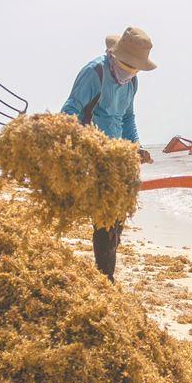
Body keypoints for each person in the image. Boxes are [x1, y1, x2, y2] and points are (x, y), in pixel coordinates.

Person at [61, 26, 156, 281]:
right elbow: (71, 110)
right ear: (114, 55)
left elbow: (127, 118)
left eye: (135, 67)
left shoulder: (131, 82)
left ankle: (106, 269)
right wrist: (73, 151)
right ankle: (106, 278)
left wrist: (135, 146)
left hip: (118, 157)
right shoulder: (95, 72)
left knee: (117, 220)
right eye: (127, 64)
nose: (130, 70)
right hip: (93, 153)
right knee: (105, 219)